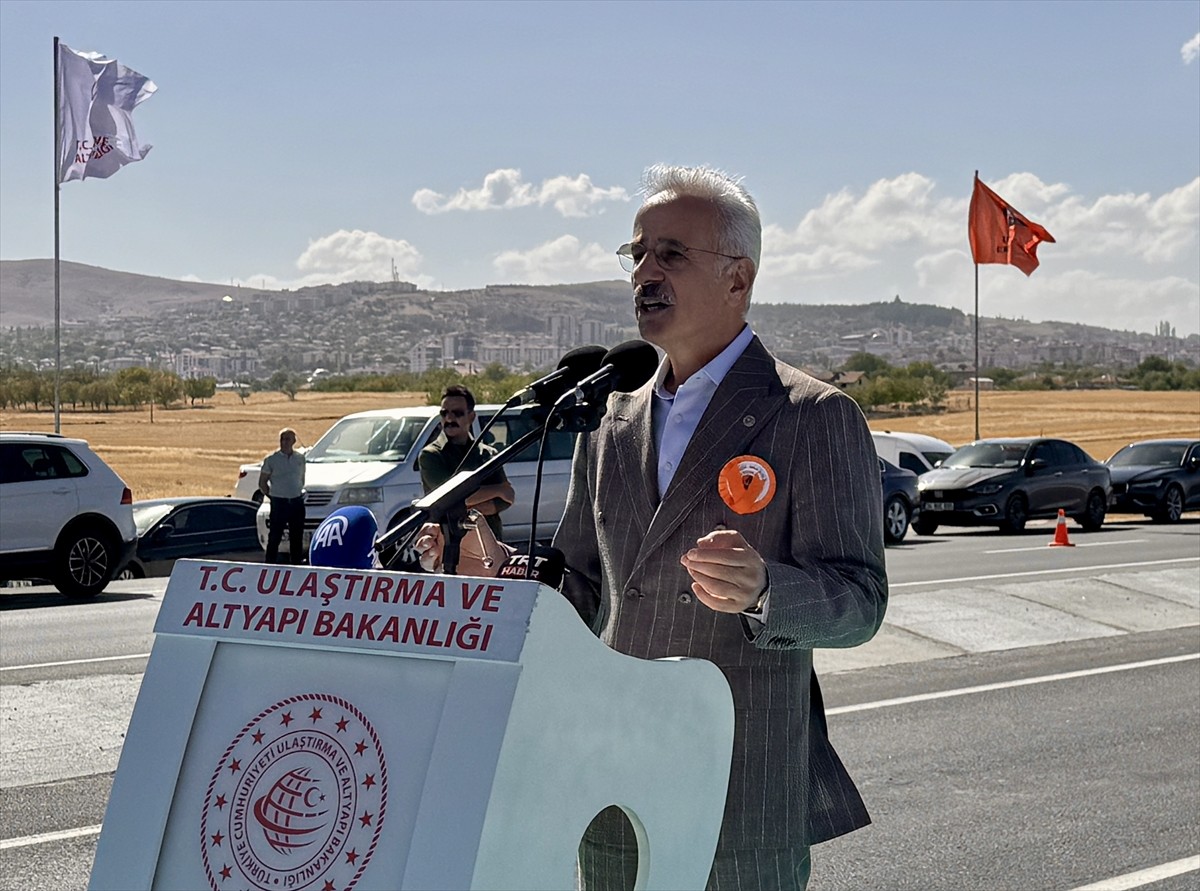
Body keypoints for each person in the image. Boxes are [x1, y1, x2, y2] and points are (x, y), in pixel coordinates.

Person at [416, 165, 887, 890]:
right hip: (610, 794)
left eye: (670, 253)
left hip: (738, 800)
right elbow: (583, 585)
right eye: (635, 253)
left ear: (739, 279)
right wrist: (506, 576)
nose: (645, 271)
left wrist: (765, 589)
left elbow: (860, 601)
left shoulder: (812, 416)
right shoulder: (611, 421)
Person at [418, 384, 514, 541]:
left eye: (457, 413)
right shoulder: (431, 455)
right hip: (451, 543)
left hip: (490, 542)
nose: (449, 419)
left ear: (471, 416)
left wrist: (465, 508)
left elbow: (507, 498)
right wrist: (497, 490)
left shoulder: (487, 454)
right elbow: (448, 498)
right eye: (444, 413)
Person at [259, 427, 307, 564]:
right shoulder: (272, 459)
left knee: (296, 535)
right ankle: (270, 562)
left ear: (294, 441)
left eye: (287, 439)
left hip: (296, 502)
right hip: (279, 502)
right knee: (275, 535)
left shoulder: (300, 458)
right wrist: (272, 496)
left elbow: (301, 479)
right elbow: (262, 482)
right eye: (282, 439)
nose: (284, 442)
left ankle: (296, 563)